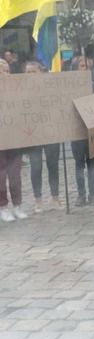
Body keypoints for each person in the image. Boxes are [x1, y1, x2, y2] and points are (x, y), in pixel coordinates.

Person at [24, 61, 61, 212]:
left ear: (41, 73)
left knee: (53, 165)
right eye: (27, 72)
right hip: (32, 134)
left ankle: (55, 197)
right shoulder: (20, 90)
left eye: (33, 71)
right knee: (35, 166)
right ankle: (38, 200)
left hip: (51, 131)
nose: (30, 75)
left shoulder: (51, 88)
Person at [70, 57, 94, 207]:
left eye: (87, 66)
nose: (85, 68)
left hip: (90, 130)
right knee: (79, 164)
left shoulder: (92, 85)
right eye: (82, 66)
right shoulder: (69, 87)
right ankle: (81, 195)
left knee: (92, 164)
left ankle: (93, 194)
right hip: (76, 132)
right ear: (75, 69)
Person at [0, 59, 27, 222]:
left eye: (7, 70)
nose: (4, 74)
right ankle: (2, 207)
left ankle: (17, 205)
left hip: (15, 137)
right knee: (1, 174)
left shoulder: (17, 90)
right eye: (1, 71)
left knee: (15, 173)